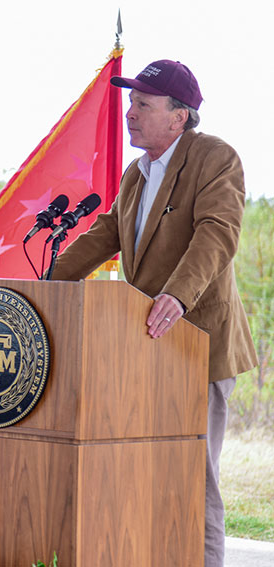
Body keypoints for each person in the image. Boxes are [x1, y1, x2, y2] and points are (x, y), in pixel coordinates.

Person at [50, 59, 257, 567]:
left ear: (179, 117)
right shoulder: (136, 173)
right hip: (139, 346)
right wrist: (46, 287)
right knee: (140, 469)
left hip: (195, 344)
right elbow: (106, 235)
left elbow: (218, 234)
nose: (130, 111)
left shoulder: (215, 158)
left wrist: (177, 296)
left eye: (144, 102)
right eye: (130, 101)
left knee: (192, 477)